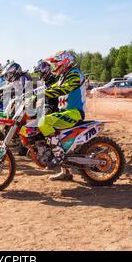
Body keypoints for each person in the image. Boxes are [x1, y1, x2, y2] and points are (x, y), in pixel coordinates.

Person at [36, 51, 87, 181]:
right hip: (64, 112)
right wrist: (33, 94)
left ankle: (58, 155)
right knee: (57, 138)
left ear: (64, 62)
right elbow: (51, 87)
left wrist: (43, 94)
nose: (54, 67)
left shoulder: (75, 74)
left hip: (74, 112)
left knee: (43, 122)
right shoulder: (63, 76)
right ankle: (66, 172)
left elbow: (65, 89)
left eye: (55, 64)